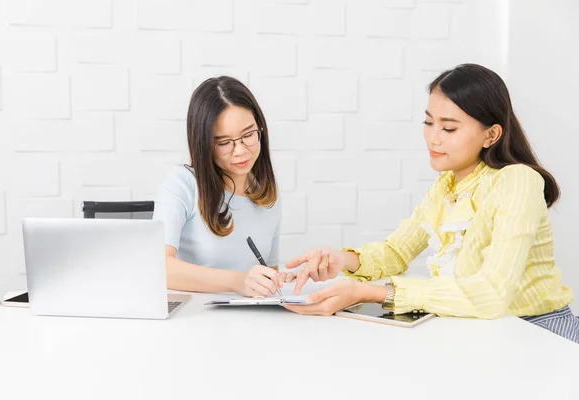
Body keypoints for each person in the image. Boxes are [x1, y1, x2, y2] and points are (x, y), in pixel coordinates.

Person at [283, 64, 579, 343]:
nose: (433, 138)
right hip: (483, 331)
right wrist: (341, 260)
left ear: (491, 135)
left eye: (448, 129)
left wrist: (371, 292)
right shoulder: (446, 187)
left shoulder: (517, 181)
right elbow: (397, 252)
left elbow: (491, 294)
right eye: (428, 122)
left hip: (539, 330)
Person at [153, 76, 293, 297]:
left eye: (248, 135)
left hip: (252, 322)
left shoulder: (267, 195)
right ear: (204, 143)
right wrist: (238, 281)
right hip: (194, 320)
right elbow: (158, 266)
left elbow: (268, 271)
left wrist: (275, 280)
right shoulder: (182, 183)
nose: (240, 150)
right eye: (224, 143)